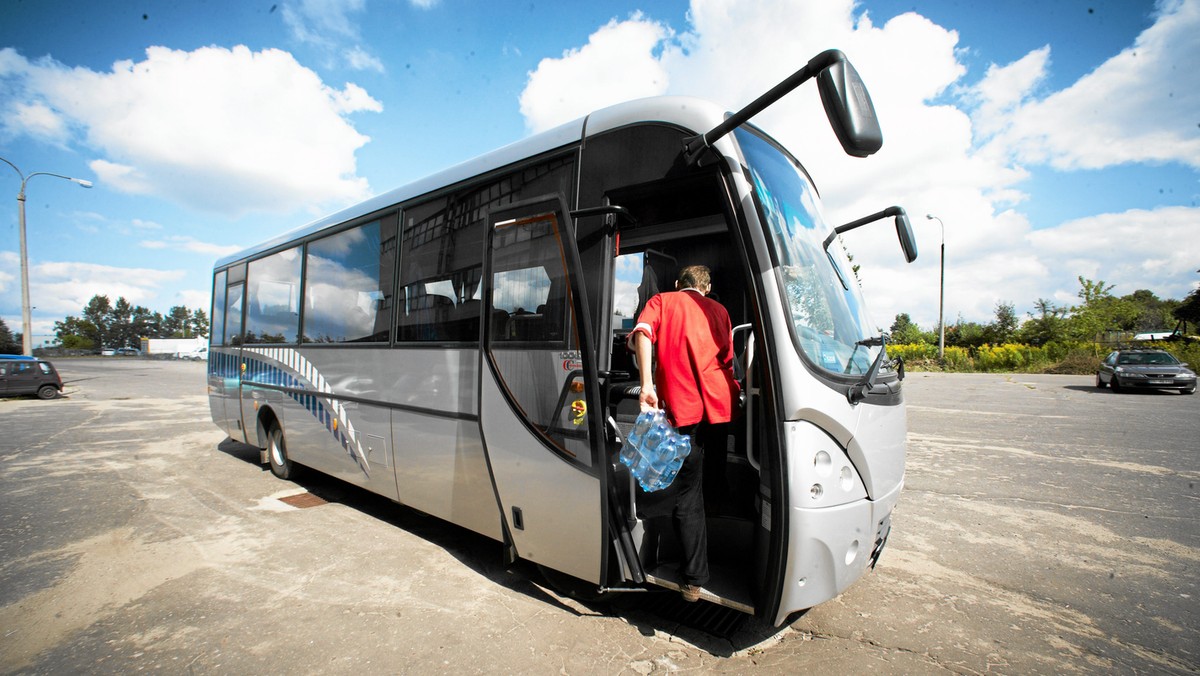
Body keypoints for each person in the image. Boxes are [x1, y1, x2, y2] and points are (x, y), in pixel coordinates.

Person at [626, 264, 741, 602]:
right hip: (720, 411)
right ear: (706, 288)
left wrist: (647, 384)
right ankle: (727, 546)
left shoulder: (664, 300)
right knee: (709, 481)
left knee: (687, 495)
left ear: (679, 284)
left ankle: (693, 578)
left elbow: (643, 332)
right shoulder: (719, 310)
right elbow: (727, 358)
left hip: (685, 410)